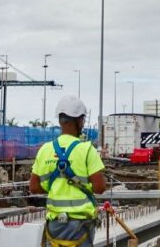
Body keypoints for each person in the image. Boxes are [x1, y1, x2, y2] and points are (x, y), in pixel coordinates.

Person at [30, 96, 107, 247]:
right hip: (80, 225)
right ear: (79, 121)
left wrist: (56, 187)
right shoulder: (86, 149)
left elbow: (33, 187)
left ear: (60, 121)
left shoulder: (45, 149)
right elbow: (100, 188)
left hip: (55, 224)